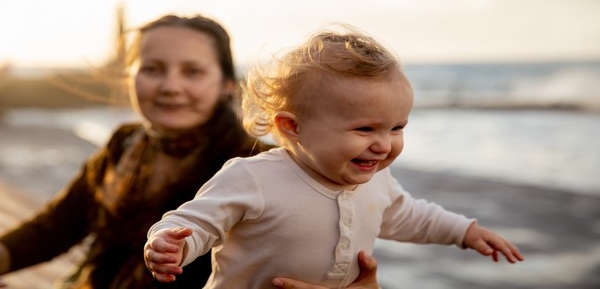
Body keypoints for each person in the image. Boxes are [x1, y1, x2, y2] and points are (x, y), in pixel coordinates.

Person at [0, 15, 380, 289]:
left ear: (225, 84)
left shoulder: (262, 164)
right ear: (130, 78)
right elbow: (59, 225)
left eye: (192, 71)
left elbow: (326, 249)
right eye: (152, 69)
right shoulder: (125, 144)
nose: (170, 86)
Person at [143, 26, 525, 288]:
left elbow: (411, 215)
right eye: (365, 129)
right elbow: (198, 221)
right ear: (292, 127)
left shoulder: (377, 182)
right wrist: (171, 242)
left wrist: (464, 232)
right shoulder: (253, 178)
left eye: (396, 128)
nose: (383, 144)